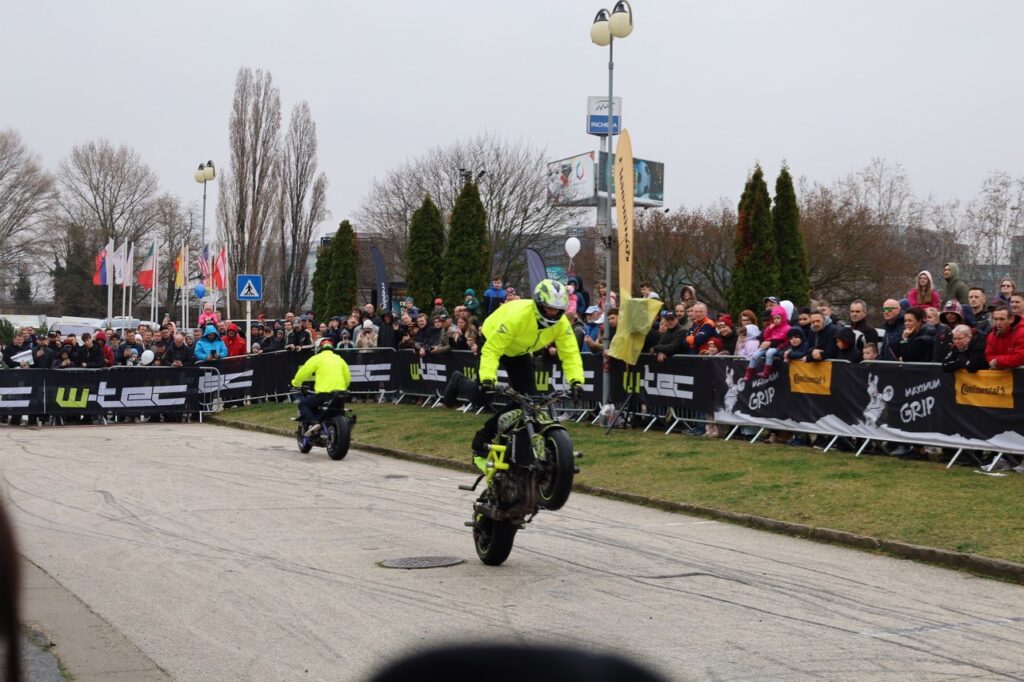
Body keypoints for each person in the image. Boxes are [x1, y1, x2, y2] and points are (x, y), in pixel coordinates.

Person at [446, 279, 583, 471]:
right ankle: (458, 381)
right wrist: (487, 378)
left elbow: (570, 353)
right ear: (538, 304)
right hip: (493, 339)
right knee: (482, 396)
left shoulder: (561, 324)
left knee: (528, 402)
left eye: (557, 310)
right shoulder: (518, 317)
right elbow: (493, 349)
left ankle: (513, 451)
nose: (553, 313)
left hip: (519, 351)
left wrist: (576, 381)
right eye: (548, 308)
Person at [290, 338, 352, 438]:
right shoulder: (340, 359)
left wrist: (295, 383)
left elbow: (304, 371)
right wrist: (344, 386)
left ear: (318, 348)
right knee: (339, 411)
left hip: (324, 394)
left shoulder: (317, 358)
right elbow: (347, 377)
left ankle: (314, 423)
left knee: (303, 405)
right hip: (341, 394)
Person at [985, 305, 1024, 369]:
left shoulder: (1022, 333)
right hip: (1000, 370)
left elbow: (1020, 357)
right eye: (996, 319)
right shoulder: (991, 335)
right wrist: (996, 361)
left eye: (1002, 319)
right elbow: (989, 355)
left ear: (1011, 319)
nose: (998, 323)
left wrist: (998, 361)